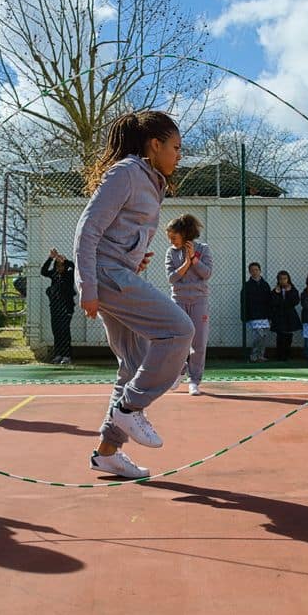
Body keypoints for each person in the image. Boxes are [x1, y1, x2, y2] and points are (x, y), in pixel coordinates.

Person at [74, 110, 193, 480]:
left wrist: (134, 256)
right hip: (107, 276)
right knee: (179, 330)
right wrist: (88, 288)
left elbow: (115, 232)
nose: (179, 155)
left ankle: (108, 452)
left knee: (133, 361)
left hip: (118, 271)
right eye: (175, 147)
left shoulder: (150, 181)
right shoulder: (126, 174)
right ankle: (130, 408)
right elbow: (87, 231)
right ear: (154, 145)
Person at [165, 213, 213, 395]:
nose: (172, 241)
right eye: (169, 238)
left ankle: (194, 381)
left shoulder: (204, 249)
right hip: (178, 300)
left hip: (199, 300)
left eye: (174, 237)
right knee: (177, 339)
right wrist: (186, 263)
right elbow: (172, 278)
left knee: (199, 342)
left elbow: (206, 274)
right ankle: (180, 370)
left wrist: (194, 258)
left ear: (184, 234)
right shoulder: (171, 252)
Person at [40, 249, 76, 364]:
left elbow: (73, 267)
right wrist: (50, 258)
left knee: (65, 331)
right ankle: (58, 354)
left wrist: (65, 260)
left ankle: (67, 356)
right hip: (55, 307)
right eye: (58, 265)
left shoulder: (69, 274)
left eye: (62, 265)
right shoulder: (54, 275)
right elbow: (43, 271)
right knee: (56, 331)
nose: (60, 267)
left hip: (66, 307)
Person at [242, 262, 273, 362]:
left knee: (264, 337)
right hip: (254, 316)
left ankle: (261, 355)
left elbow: (270, 301)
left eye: (256, 270)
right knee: (258, 336)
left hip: (265, 315)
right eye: (252, 270)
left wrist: (270, 316)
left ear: (260, 271)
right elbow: (243, 302)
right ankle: (254, 355)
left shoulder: (265, 285)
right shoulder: (247, 286)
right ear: (249, 272)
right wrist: (245, 315)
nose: (254, 272)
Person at [270, 270, 302, 362]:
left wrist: (288, 292)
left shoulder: (293, 289)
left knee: (288, 336)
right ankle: (279, 355)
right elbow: (273, 302)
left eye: (285, 279)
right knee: (280, 336)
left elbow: (294, 302)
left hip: (289, 316)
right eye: (281, 279)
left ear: (288, 279)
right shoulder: (275, 290)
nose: (283, 281)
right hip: (279, 316)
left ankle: (287, 355)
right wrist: (276, 293)